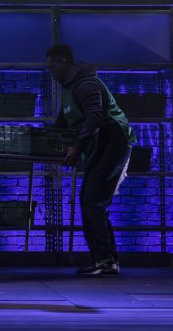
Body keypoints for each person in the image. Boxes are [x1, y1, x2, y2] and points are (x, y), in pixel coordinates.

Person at [45, 44, 134, 277]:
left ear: (64, 62)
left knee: (92, 200)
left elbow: (95, 117)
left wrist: (76, 147)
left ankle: (105, 260)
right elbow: (63, 123)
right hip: (102, 144)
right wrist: (43, 141)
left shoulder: (86, 84)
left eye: (52, 66)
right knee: (93, 201)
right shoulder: (68, 89)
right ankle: (107, 260)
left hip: (113, 140)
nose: (51, 72)